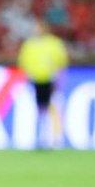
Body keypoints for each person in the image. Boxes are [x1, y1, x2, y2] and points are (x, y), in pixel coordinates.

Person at [16, 19, 69, 149]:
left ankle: (56, 138)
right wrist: (28, 75)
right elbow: (23, 62)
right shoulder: (29, 44)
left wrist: (59, 79)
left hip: (51, 80)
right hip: (35, 81)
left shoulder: (54, 43)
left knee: (53, 108)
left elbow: (62, 62)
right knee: (40, 110)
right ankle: (41, 137)